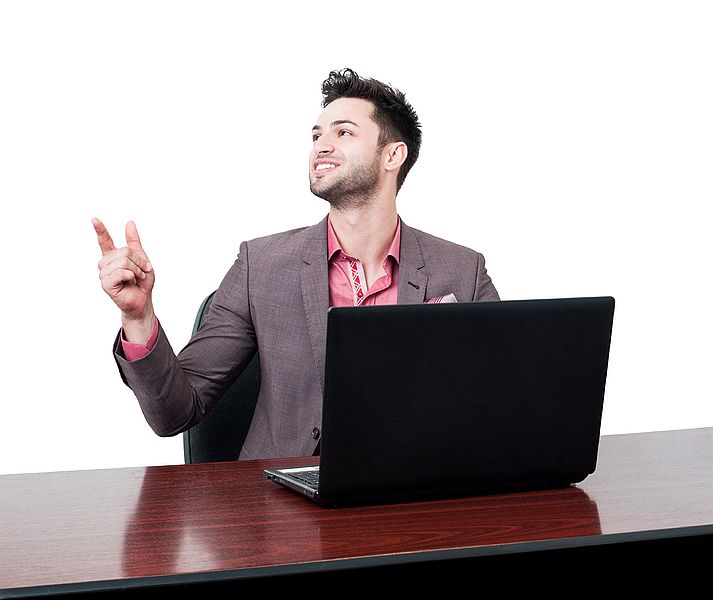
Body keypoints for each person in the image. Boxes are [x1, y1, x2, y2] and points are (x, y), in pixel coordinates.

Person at [93, 68, 500, 459]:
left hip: (414, 498)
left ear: (393, 155)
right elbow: (175, 412)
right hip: (285, 508)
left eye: (343, 132)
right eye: (317, 135)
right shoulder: (261, 266)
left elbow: (498, 405)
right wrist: (139, 316)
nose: (321, 146)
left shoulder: (463, 271)